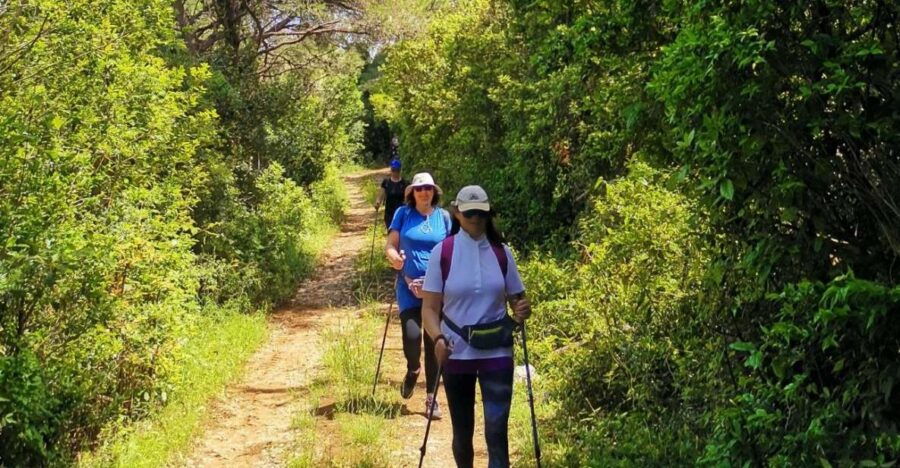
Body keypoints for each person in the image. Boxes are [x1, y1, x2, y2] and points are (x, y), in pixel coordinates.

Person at [421, 185, 532, 468]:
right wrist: (437, 340)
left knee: (497, 432)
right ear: (457, 214)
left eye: (482, 213)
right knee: (463, 432)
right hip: (456, 352)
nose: (476, 218)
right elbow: (430, 309)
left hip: (498, 351)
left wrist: (521, 310)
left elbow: (518, 300)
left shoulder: (501, 253)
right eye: (470, 213)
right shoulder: (442, 253)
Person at [384, 172, 452, 418]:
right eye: (420, 188)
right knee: (411, 338)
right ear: (412, 192)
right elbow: (391, 244)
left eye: (429, 188)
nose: (424, 192)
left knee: (435, 341)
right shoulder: (403, 214)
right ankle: (413, 369)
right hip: (409, 287)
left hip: (436, 291)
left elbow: (454, 250)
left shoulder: (443, 218)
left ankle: (432, 397)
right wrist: (394, 258)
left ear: (434, 192)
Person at [375, 159, 408, 230]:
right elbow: (381, 194)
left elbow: (407, 199)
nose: (395, 172)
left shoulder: (405, 183)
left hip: (401, 213)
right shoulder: (386, 182)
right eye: (393, 170)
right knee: (391, 232)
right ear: (391, 170)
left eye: (397, 170)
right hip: (389, 213)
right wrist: (378, 202)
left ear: (400, 170)